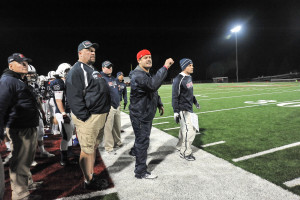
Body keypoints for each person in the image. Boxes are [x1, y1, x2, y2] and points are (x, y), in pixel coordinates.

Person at [66, 40, 111, 190]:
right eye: (89, 50)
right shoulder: (77, 70)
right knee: (87, 149)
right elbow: (74, 97)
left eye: (94, 50)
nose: (93, 52)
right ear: (80, 53)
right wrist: (85, 117)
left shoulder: (91, 68)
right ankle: (88, 181)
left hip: (98, 116)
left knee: (92, 147)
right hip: (89, 118)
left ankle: (90, 175)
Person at [0, 53, 42, 200]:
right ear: (11, 65)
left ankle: (28, 185)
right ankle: (20, 195)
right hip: (20, 127)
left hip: (25, 125)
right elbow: (1, 106)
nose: (25, 65)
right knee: (20, 161)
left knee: (25, 159)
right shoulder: (8, 81)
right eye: (21, 63)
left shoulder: (16, 79)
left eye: (25, 63)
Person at [129, 49, 174, 179]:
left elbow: (152, 91)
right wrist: (165, 67)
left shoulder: (145, 73)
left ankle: (134, 152)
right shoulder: (138, 74)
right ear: (139, 60)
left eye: (150, 57)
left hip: (144, 112)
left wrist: (159, 103)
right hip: (141, 115)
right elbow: (153, 85)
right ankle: (140, 172)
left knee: (140, 140)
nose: (149, 59)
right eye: (145, 57)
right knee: (143, 142)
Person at [172, 58, 200, 161]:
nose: (192, 67)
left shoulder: (189, 77)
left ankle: (180, 147)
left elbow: (190, 93)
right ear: (184, 66)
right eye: (190, 65)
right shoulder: (178, 79)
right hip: (183, 109)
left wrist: (195, 101)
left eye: (192, 65)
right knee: (190, 130)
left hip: (189, 107)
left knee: (183, 130)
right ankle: (185, 153)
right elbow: (174, 96)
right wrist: (175, 111)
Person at [27, 65, 54, 159]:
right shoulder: (21, 84)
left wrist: (42, 111)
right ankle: (30, 157)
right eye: (29, 74)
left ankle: (42, 151)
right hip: (26, 113)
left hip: (36, 111)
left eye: (32, 73)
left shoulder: (36, 85)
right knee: (30, 135)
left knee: (40, 132)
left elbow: (38, 99)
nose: (32, 75)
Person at [50, 63, 76, 166]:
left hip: (68, 111)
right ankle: (63, 158)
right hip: (62, 113)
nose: (68, 73)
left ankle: (69, 153)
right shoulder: (58, 82)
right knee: (66, 136)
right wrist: (64, 114)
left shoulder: (65, 81)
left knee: (70, 135)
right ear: (61, 71)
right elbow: (58, 100)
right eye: (67, 71)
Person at [101, 61, 122, 154]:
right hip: (108, 107)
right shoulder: (101, 78)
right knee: (108, 128)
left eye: (111, 67)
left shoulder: (113, 78)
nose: (110, 68)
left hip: (117, 105)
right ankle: (109, 146)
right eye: (107, 67)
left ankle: (118, 141)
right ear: (102, 68)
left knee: (117, 126)